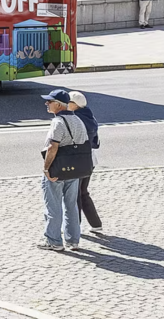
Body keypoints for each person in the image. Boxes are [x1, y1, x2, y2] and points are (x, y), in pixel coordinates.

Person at [39, 89, 90, 251]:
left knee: (53, 206)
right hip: (74, 170)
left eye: (50, 101)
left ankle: (54, 241)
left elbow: (52, 147)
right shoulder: (78, 120)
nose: (47, 103)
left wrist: (46, 169)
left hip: (58, 169)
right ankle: (73, 240)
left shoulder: (58, 122)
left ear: (59, 105)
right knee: (71, 206)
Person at [68, 91, 102, 233]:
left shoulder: (77, 119)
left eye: (68, 102)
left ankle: (75, 227)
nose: (65, 104)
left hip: (80, 160)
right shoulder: (88, 116)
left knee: (75, 193)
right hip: (90, 160)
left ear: (75, 105)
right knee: (83, 192)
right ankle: (96, 224)